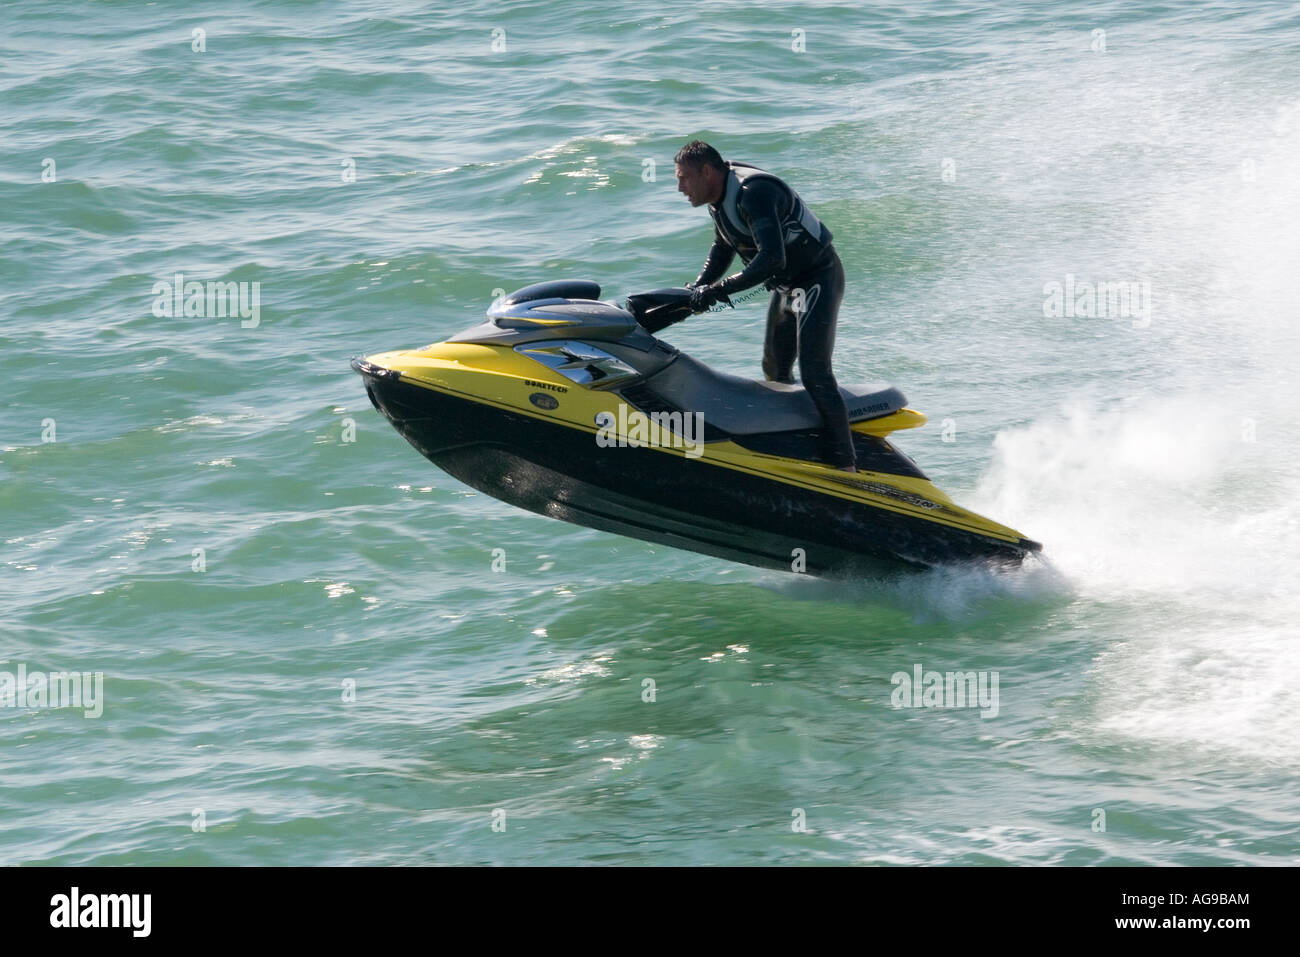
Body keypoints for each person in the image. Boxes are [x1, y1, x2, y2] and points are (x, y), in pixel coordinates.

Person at [673, 140, 857, 472]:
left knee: (814, 372)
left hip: (817, 278)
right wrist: (700, 286)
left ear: (706, 172)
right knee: (774, 369)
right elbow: (723, 245)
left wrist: (718, 290)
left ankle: (846, 464)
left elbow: (772, 258)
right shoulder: (718, 196)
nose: (680, 188)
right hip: (787, 286)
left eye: (684, 178)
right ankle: (797, 440)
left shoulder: (753, 192)